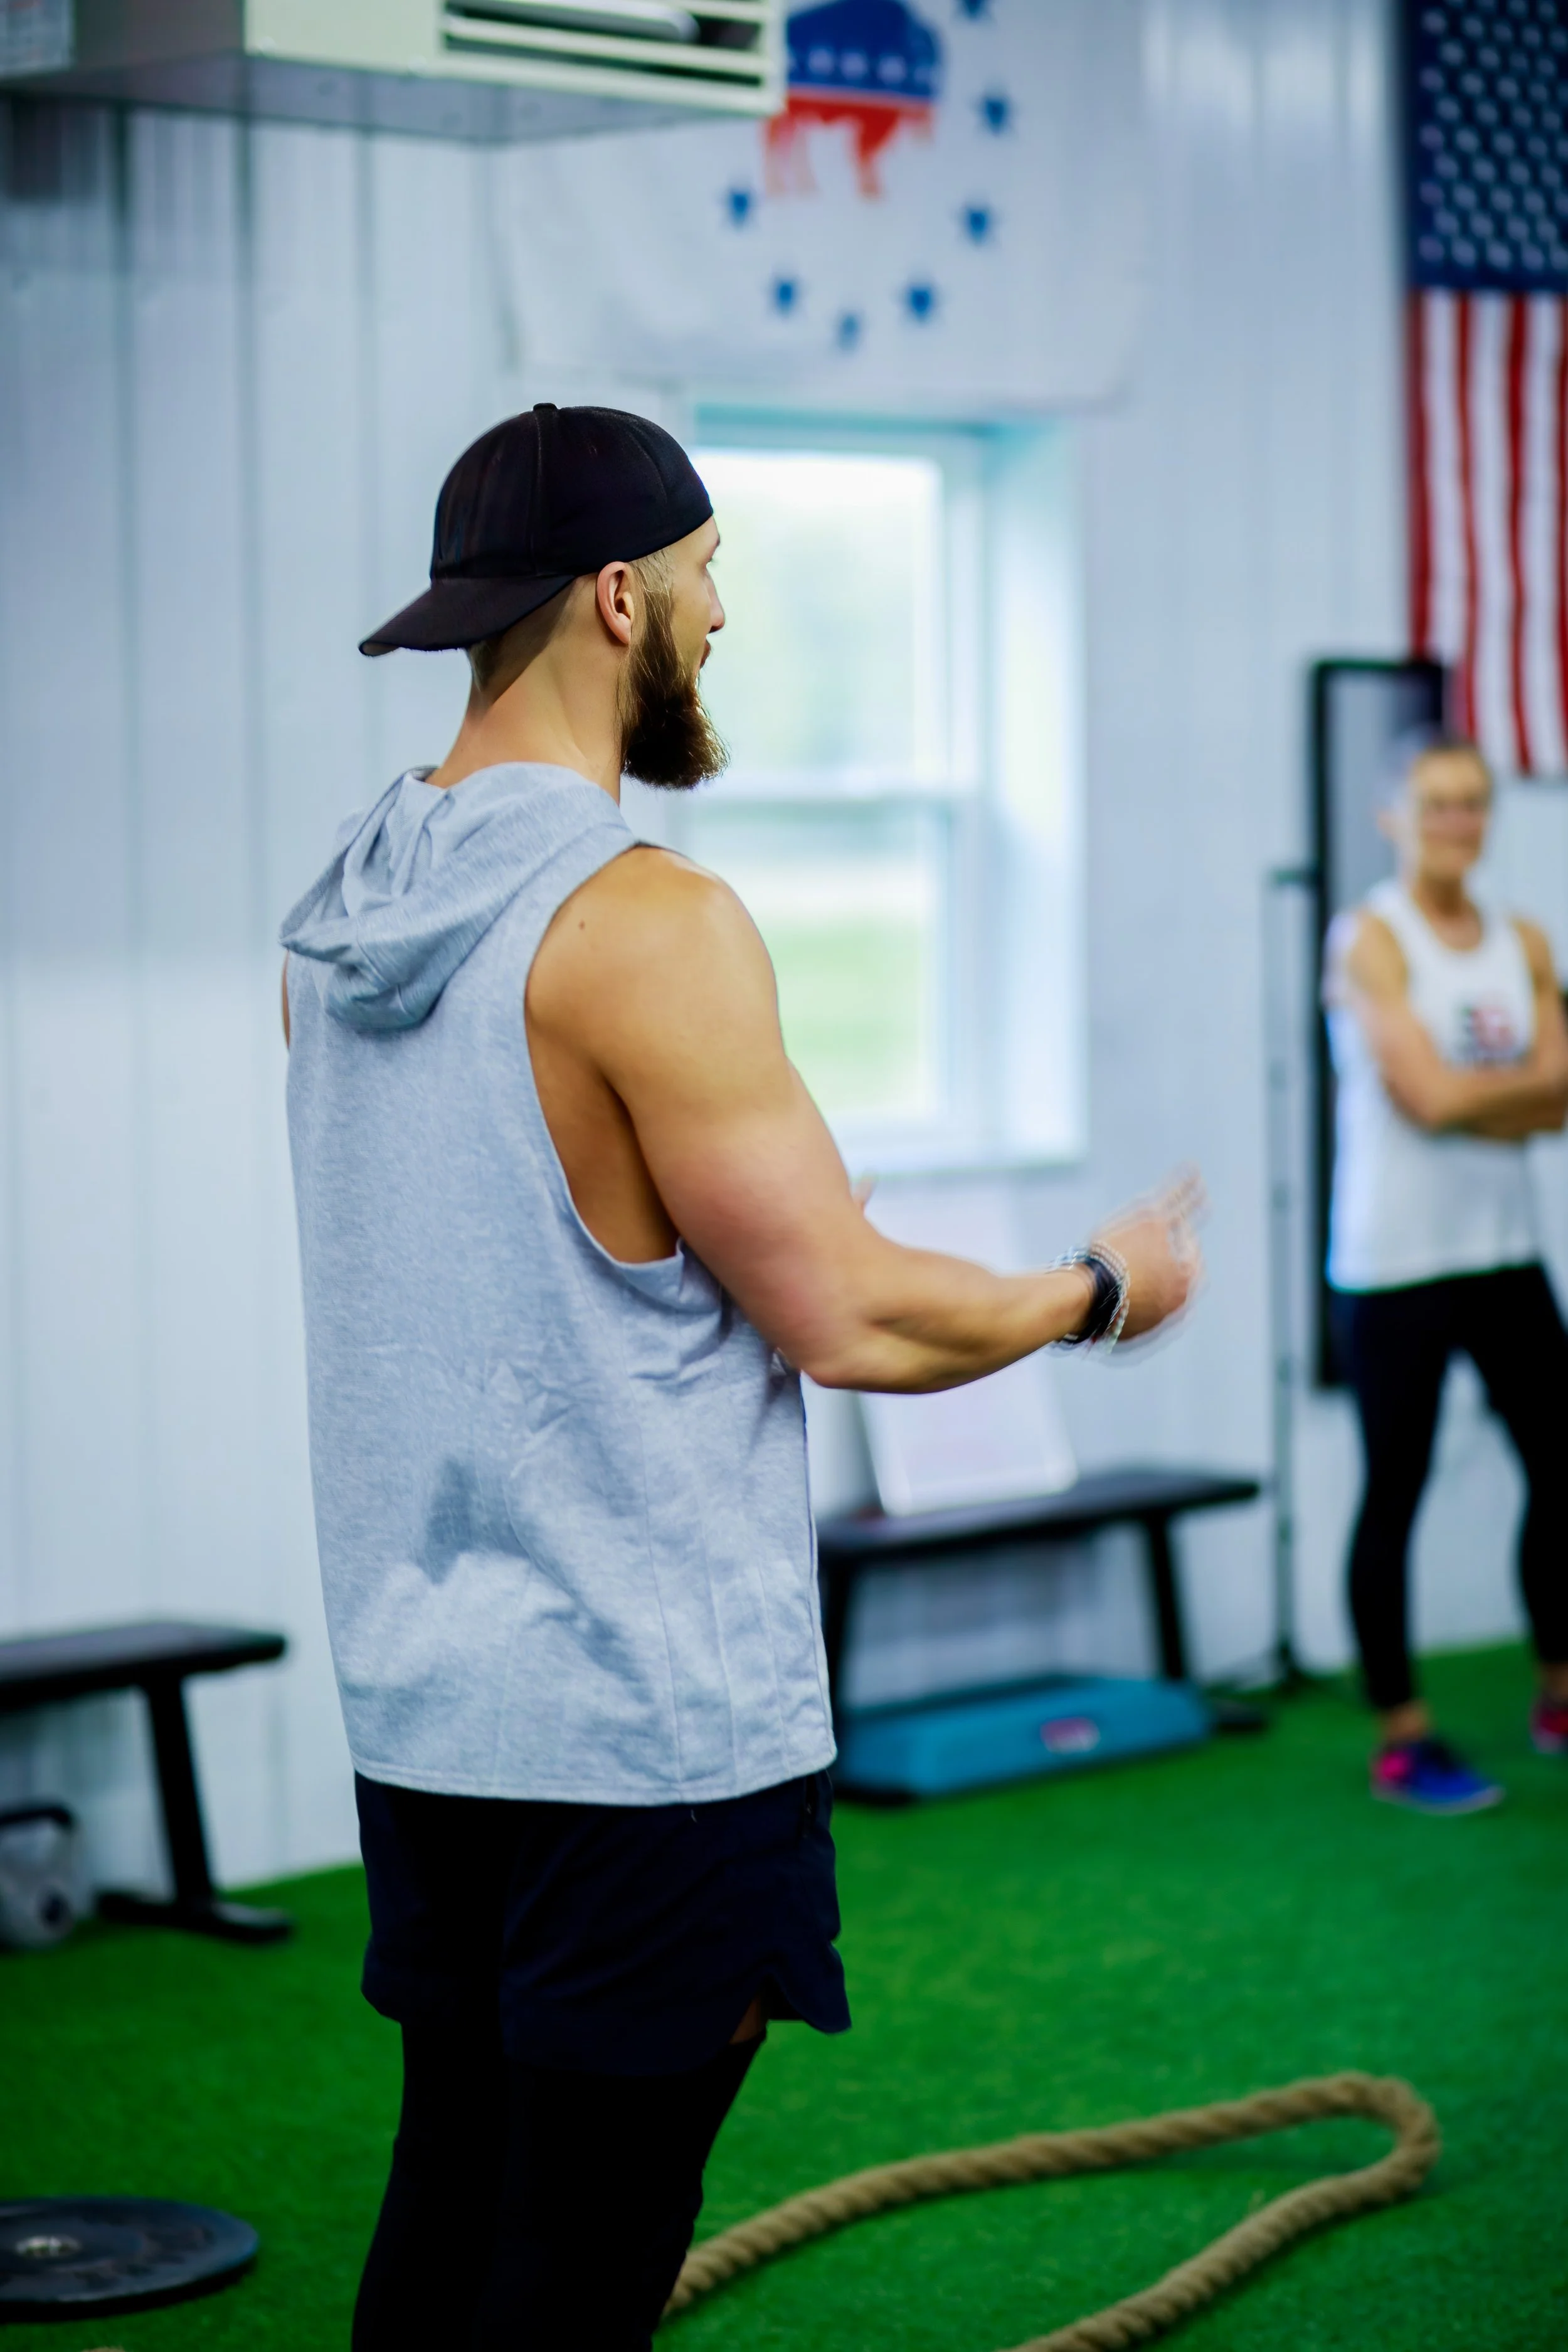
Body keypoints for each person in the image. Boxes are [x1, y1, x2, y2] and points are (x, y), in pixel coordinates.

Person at [279, 403, 1200, 2352]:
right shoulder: (648, 926)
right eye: (706, 583)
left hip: (432, 1707)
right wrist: (1102, 1284)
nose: (720, 620)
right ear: (619, 598)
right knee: (580, 2259)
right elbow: (852, 1317)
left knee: (451, 2187)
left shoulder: (342, 922)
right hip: (640, 1727)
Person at [1324, 727, 1568, 1815]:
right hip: (1395, 1262)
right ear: (1394, 816)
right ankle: (1402, 1734)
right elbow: (1429, 1100)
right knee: (1397, 1489)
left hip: (1502, 1251)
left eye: (1473, 802)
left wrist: (1497, 1097)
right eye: (1437, 804)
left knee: (1562, 1473)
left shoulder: (1520, 938)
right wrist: (1512, 1093)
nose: (1458, 822)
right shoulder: (1368, 940)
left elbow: (1557, 1096)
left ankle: (1559, 1690)